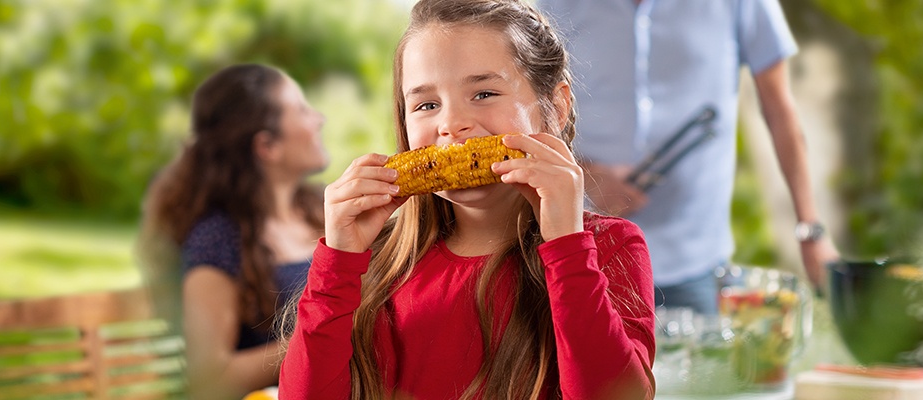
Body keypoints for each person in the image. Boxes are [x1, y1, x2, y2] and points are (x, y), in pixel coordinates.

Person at [276, 0, 656, 399]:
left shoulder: (608, 246)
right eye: (426, 105)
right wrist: (338, 263)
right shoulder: (374, 260)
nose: (451, 124)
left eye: (484, 93)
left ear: (556, 108)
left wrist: (566, 245)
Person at [536, 0, 840, 314]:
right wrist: (588, 177)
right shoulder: (554, 5)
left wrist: (810, 229)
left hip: (694, 259)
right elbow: (531, 113)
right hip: (587, 252)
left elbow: (781, 112)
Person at [138, 64, 328, 399]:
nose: (318, 119)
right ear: (267, 146)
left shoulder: (321, 209)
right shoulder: (218, 238)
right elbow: (210, 378)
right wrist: (324, 336)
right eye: (301, 110)